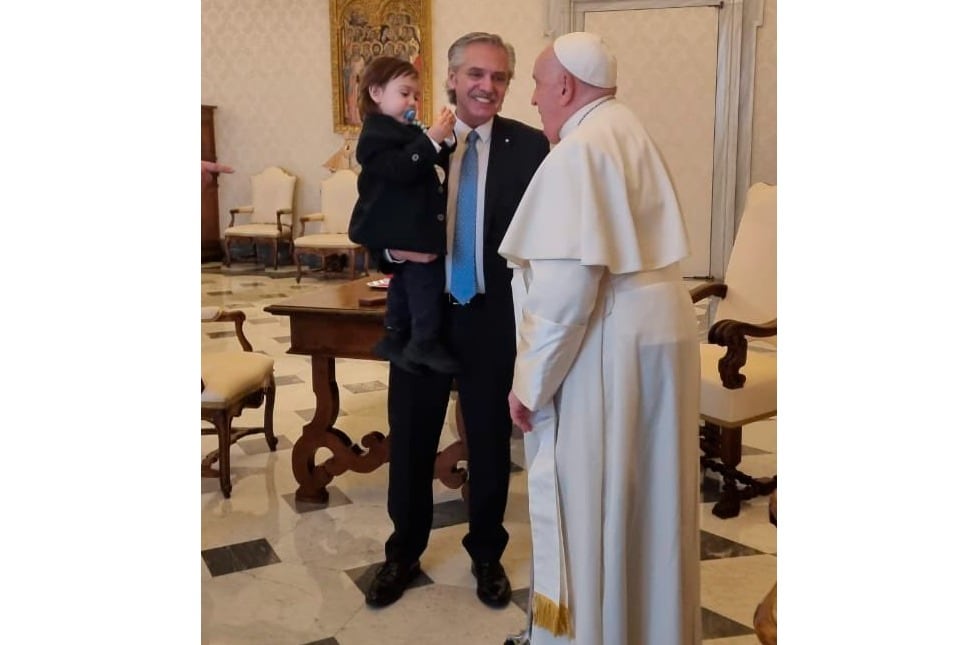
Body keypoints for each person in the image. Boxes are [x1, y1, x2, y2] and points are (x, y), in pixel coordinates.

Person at [498, 31, 701, 644]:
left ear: (564, 86)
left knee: (599, 498)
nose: (533, 100)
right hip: (655, 334)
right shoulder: (628, 129)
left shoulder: (579, 150)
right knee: (649, 503)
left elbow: (562, 293)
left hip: (609, 348)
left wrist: (529, 384)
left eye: (537, 84)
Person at [363, 32, 549, 609]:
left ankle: (487, 553)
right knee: (412, 437)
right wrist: (394, 255)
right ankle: (403, 551)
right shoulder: (408, 141)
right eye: (475, 74)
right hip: (423, 318)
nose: (486, 87)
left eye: (498, 78)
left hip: (491, 318)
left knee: (491, 443)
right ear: (450, 79)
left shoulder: (533, 148)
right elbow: (372, 216)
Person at [349, 56, 460, 375]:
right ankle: (423, 341)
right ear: (376, 93)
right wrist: (432, 138)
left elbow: (432, 156)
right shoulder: (375, 134)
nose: (412, 100)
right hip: (398, 226)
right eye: (405, 93)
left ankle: (395, 335)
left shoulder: (405, 128)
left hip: (410, 225)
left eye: (416, 95)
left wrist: (445, 138)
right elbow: (402, 168)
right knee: (425, 282)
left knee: (403, 283)